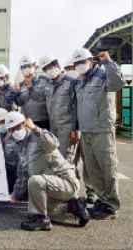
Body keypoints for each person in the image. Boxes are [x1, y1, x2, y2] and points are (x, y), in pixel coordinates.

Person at [5, 112, 89, 231]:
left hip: (66, 182)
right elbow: (22, 174)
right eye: (11, 130)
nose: (14, 132)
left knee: (34, 181)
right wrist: (14, 196)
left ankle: (42, 220)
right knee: (48, 209)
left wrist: (35, 129)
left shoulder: (38, 137)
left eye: (17, 127)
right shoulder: (20, 147)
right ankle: (73, 206)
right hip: (50, 187)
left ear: (25, 124)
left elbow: (54, 143)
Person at [71, 48, 126, 219]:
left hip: (102, 129)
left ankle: (111, 203)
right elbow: (77, 108)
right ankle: (102, 200)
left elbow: (118, 83)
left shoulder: (102, 76)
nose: (80, 66)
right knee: (93, 170)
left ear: (91, 61)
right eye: (77, 63)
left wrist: (108, 62)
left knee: (107, 166)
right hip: (86, 131)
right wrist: (75, 127)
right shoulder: (79, 83)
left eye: (82, 62)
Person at [29, 54, 78, 163]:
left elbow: (75, 107)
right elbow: (38, 98)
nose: (48, 71)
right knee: (55, 160)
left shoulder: (71, 82)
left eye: (49, 67)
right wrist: (30, 87)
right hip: (53, 128)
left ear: (57, 65)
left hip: (67, 129)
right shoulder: (49, 84)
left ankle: (70, 180)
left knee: (66, 161)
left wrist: (74, 129)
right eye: (45, 69)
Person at [14, 55, 49, 130]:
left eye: (28, 66)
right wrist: (17, 93)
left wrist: (30, 87)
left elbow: (43, 98)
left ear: (35, 66)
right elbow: (20, 103)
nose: (26, 69)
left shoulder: (45, 80)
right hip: (29, 122)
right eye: (23, 67)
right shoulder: (21, 85)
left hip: (45, 121)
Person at [0, 108, 18, 193]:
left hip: (15, 172)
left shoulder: (18, 135)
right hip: (2, 171)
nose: (0, 124)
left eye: (2, 122)